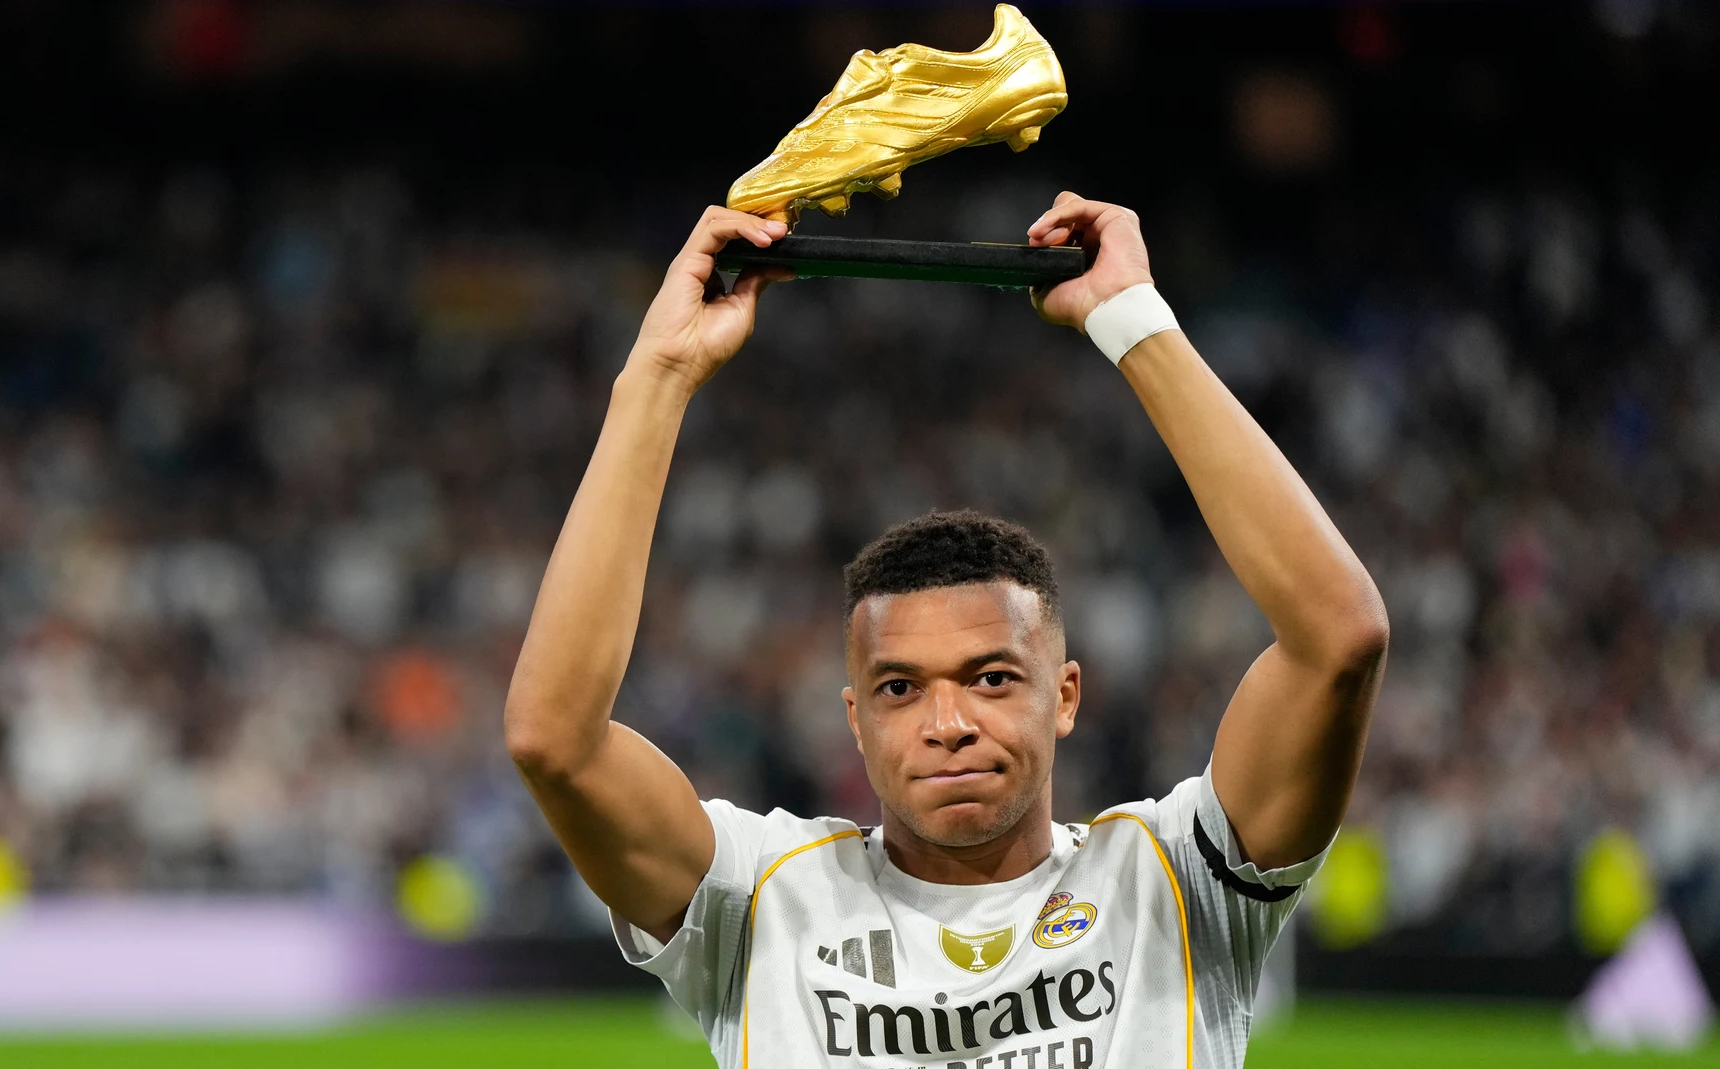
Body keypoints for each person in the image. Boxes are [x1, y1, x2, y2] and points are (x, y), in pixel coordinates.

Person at [504, 194, 1389, 1069]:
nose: (948, 721)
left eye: (992, 677)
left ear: (1067, 694)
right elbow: (555, 740)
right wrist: (656, 377)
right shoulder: (760, 895)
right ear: (853, 718)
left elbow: (1338, 639)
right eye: (901, 688)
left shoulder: (1178, 883)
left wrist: (1134, 323)